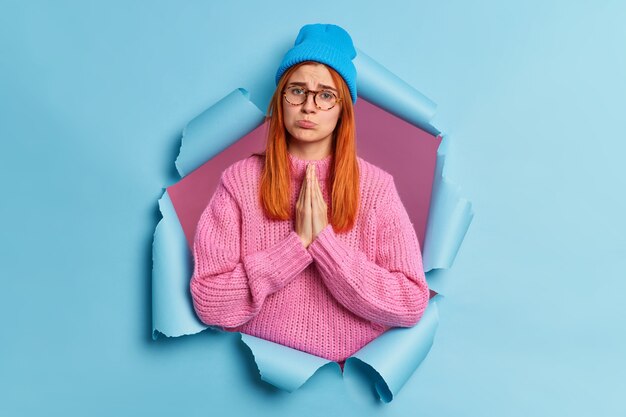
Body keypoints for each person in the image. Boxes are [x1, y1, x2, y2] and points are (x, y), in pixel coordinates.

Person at [189, 23, 429, 363]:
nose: (308, 106)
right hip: (254, 379)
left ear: (343, 108)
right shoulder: (239, 182)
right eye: (297, 90)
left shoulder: (376, 188)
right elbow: (210, 301)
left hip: (343, 385)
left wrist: (324, 243)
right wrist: (295, 246)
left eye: (325, 95)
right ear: (281, 99)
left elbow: (410, 302)